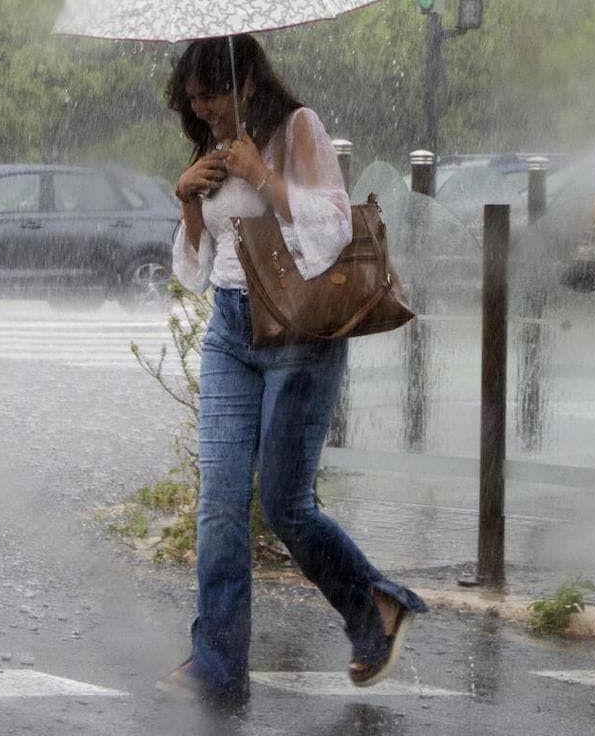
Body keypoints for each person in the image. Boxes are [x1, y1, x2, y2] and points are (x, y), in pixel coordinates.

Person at [160, 35, 426, 703]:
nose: (207, 112)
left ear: (246, 81)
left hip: (299, 334)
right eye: (195, 101)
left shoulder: (296, 128)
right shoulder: (217, 147)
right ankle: (217, 664)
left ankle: (373, 605)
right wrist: (190, 201)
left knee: (284, 504)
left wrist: (261, 175)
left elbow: (332, 229)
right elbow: (194, 272)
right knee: (219, 505)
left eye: (213, 95)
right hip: (229, 330)